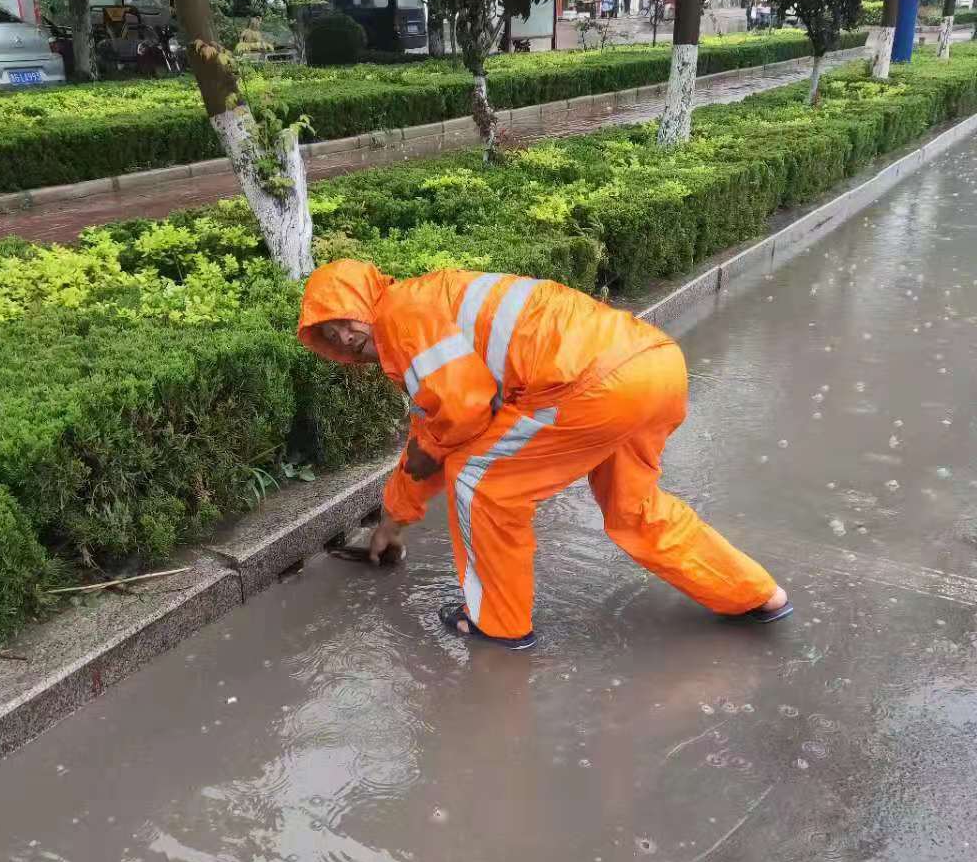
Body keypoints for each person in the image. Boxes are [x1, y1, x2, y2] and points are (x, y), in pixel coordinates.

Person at [298, 260, 792, 650]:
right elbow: (433, 424)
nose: (343, 336)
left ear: (368, 298)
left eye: (343, 319)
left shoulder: (402, 314)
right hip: (655, 368)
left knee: (481, 485)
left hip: (589, 386)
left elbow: (460, 416)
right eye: (328, 333)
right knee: (635, 510)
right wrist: (394, 519)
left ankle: (498, 623)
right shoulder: (428, 308)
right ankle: (754, 593)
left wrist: (425, 462)